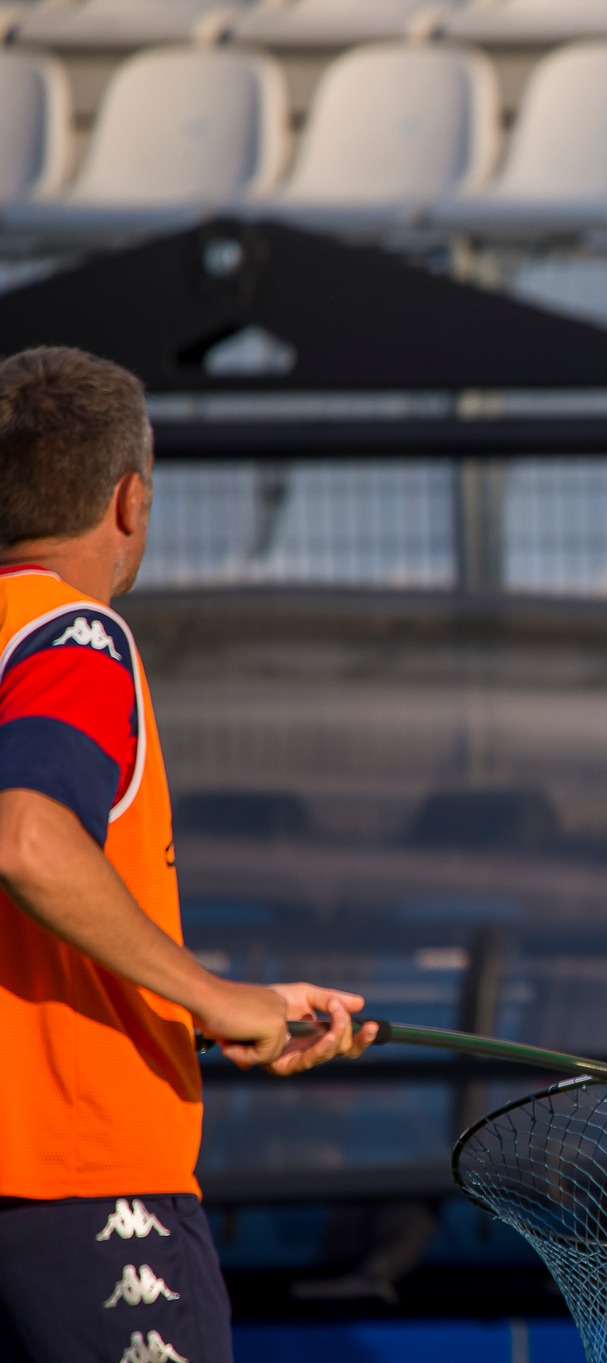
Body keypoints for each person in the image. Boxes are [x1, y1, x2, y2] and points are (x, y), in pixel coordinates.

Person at [0, 347, 375, 1363]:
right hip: (78, 1191)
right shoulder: (72, 637)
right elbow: (30, 839)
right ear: (128, 500)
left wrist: (198, 1010)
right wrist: (210, 995)